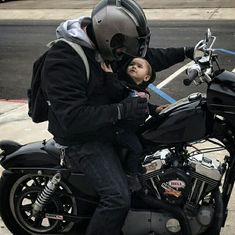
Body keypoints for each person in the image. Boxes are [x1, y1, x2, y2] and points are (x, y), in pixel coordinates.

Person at [41, 0, 194, 234]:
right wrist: (122, 110)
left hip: (108, 128)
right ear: (111, 36)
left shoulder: (105, 47)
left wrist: (188, 52)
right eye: (124, 47)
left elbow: (148, 58)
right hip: (82, 140)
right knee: (117, 199)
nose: (125, 55)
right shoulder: (63, 59)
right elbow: (71, 118)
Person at [101, 57, 168, 192]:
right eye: (132, 64)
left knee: (144, 144)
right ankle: (130, 175)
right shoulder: (124, 86)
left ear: (146, 77)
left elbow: (144, 106)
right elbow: (114, 91)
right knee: (136, 148)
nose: (134, 67)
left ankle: (137, 168)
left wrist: (155, 109)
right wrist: (109, 75)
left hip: (132, 129)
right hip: (120, 129)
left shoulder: (140, 92)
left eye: (139, 66)